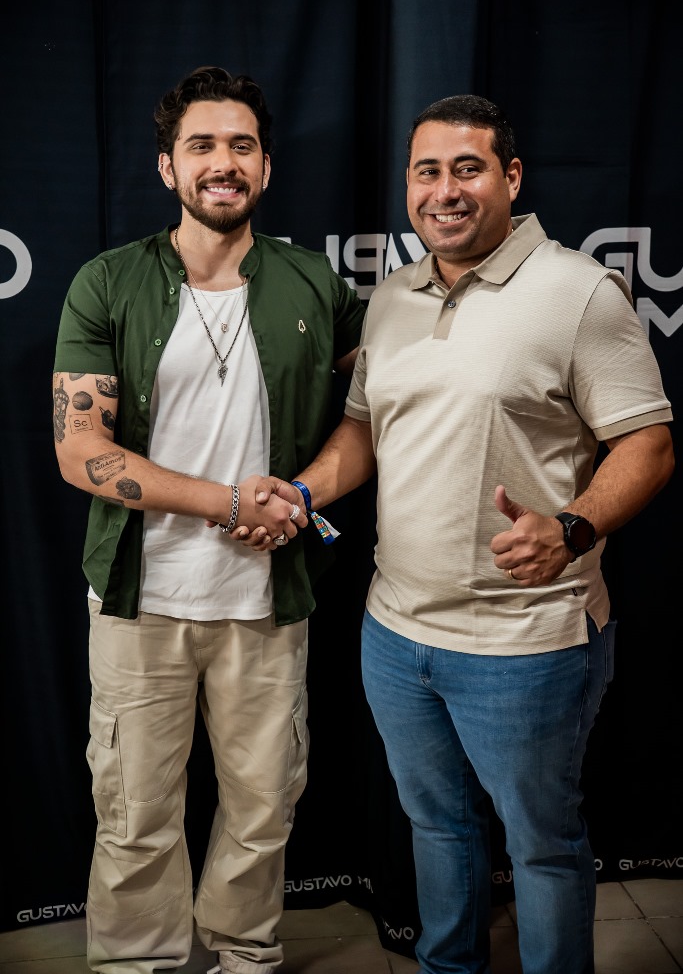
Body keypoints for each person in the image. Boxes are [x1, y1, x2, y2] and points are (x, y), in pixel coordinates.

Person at [244, 94, 675, 973]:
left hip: (526, 642)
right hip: (396, 633)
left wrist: (572, 527)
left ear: (510, 177)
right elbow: (363, 429)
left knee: (542, 844)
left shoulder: (576, 292)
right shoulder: (392, 297)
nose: (443, 190)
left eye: (467, 169)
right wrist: (302, 489)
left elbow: (648, 444)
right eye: (426, 171)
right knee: (436, 827)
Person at [52, 65, 365, 974]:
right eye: (201, 146)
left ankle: (244, 955)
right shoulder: (108, 281)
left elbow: (375, 412)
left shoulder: (313, 282)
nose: (222, 162)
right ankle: (135, 963)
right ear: (168, 168)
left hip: (267, 598)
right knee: (135, 813)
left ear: (264, 166)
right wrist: (228, 502)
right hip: (139, 599)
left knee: (263, 806)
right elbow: (80, 450)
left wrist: (299, 496)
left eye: (240, 146)